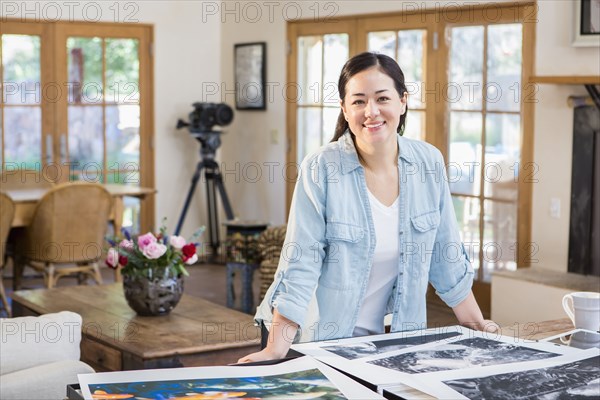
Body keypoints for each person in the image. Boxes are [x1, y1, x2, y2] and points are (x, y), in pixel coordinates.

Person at [239, 52, 497, 363]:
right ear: (345, 109)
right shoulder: (321, 168)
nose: (371, 111)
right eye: (359, 101)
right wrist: (276, 350)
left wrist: (477, 326)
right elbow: (301, 264)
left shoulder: (428, 163)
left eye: (382, 98)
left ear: (403, 101)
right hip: (317, 339)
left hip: (397, 341)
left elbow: (446, 255)